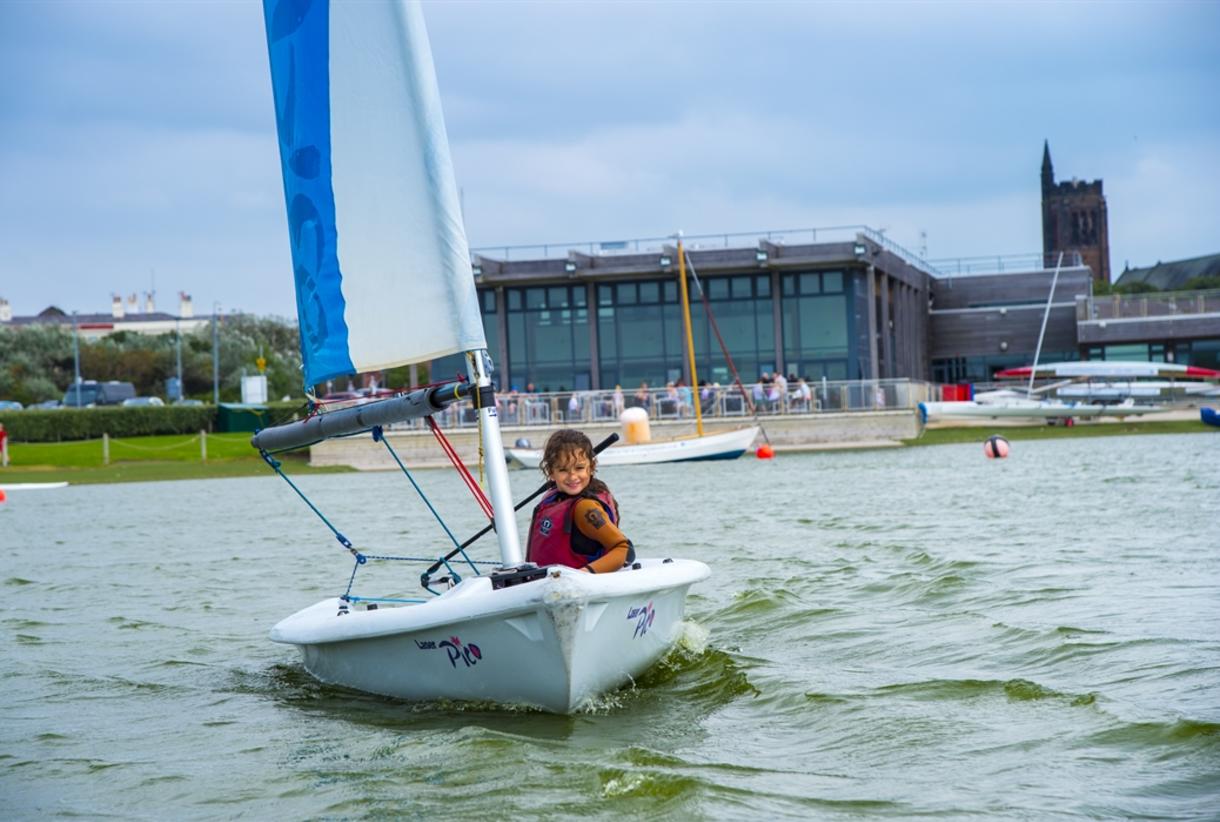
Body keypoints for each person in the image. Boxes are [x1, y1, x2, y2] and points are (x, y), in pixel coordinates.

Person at [526, 429, 634, 574]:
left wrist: (582, 575)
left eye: (579, 468)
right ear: (551, 472)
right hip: (549, 588)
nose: (572, 476)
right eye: (563, 470)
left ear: (591, 467)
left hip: (580, 590)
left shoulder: (585, 508)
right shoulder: (553, 498)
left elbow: (624, 549)